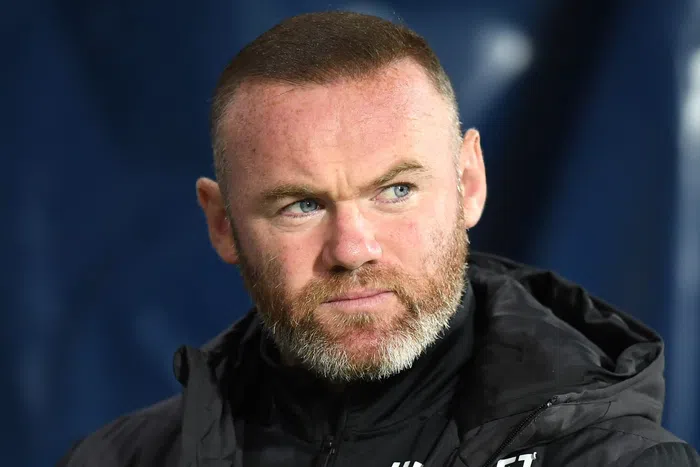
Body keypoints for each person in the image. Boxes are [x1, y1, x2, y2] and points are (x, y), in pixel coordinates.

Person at [58, 10, 699, 467]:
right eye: (302, 205)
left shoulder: (609, 459)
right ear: (222, 224)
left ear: (469, 183)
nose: (352, 249)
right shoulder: (119, 459)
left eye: (395, 191)